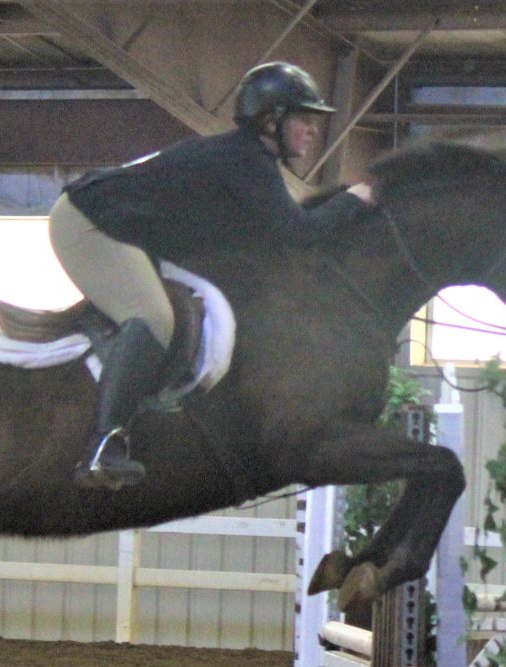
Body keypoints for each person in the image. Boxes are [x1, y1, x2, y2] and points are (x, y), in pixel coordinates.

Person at [49, 61, 376, 490]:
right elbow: (299, 233)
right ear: (271, 120)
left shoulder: (255, 162)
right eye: (304, 118)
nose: (315, 130)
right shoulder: (247, 160)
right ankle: (103, 446)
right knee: (154, 318)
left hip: (132, 231)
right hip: (89, 224)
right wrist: (354, 199)